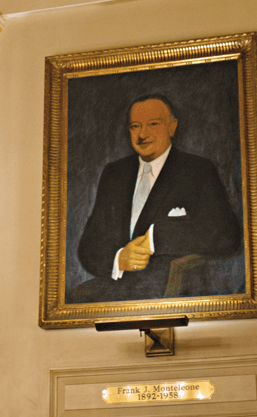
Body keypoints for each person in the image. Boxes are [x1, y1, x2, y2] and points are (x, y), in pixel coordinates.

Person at [68, 94, 241, 302]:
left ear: (172, 127)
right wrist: (119, 258)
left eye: (152, 124)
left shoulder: (197, 170)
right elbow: (89, 247)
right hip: (116, 290)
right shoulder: (114, 173)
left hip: (171, 292)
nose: (142, 134)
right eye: (135, 126)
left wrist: (154, 238)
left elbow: (226, 236)